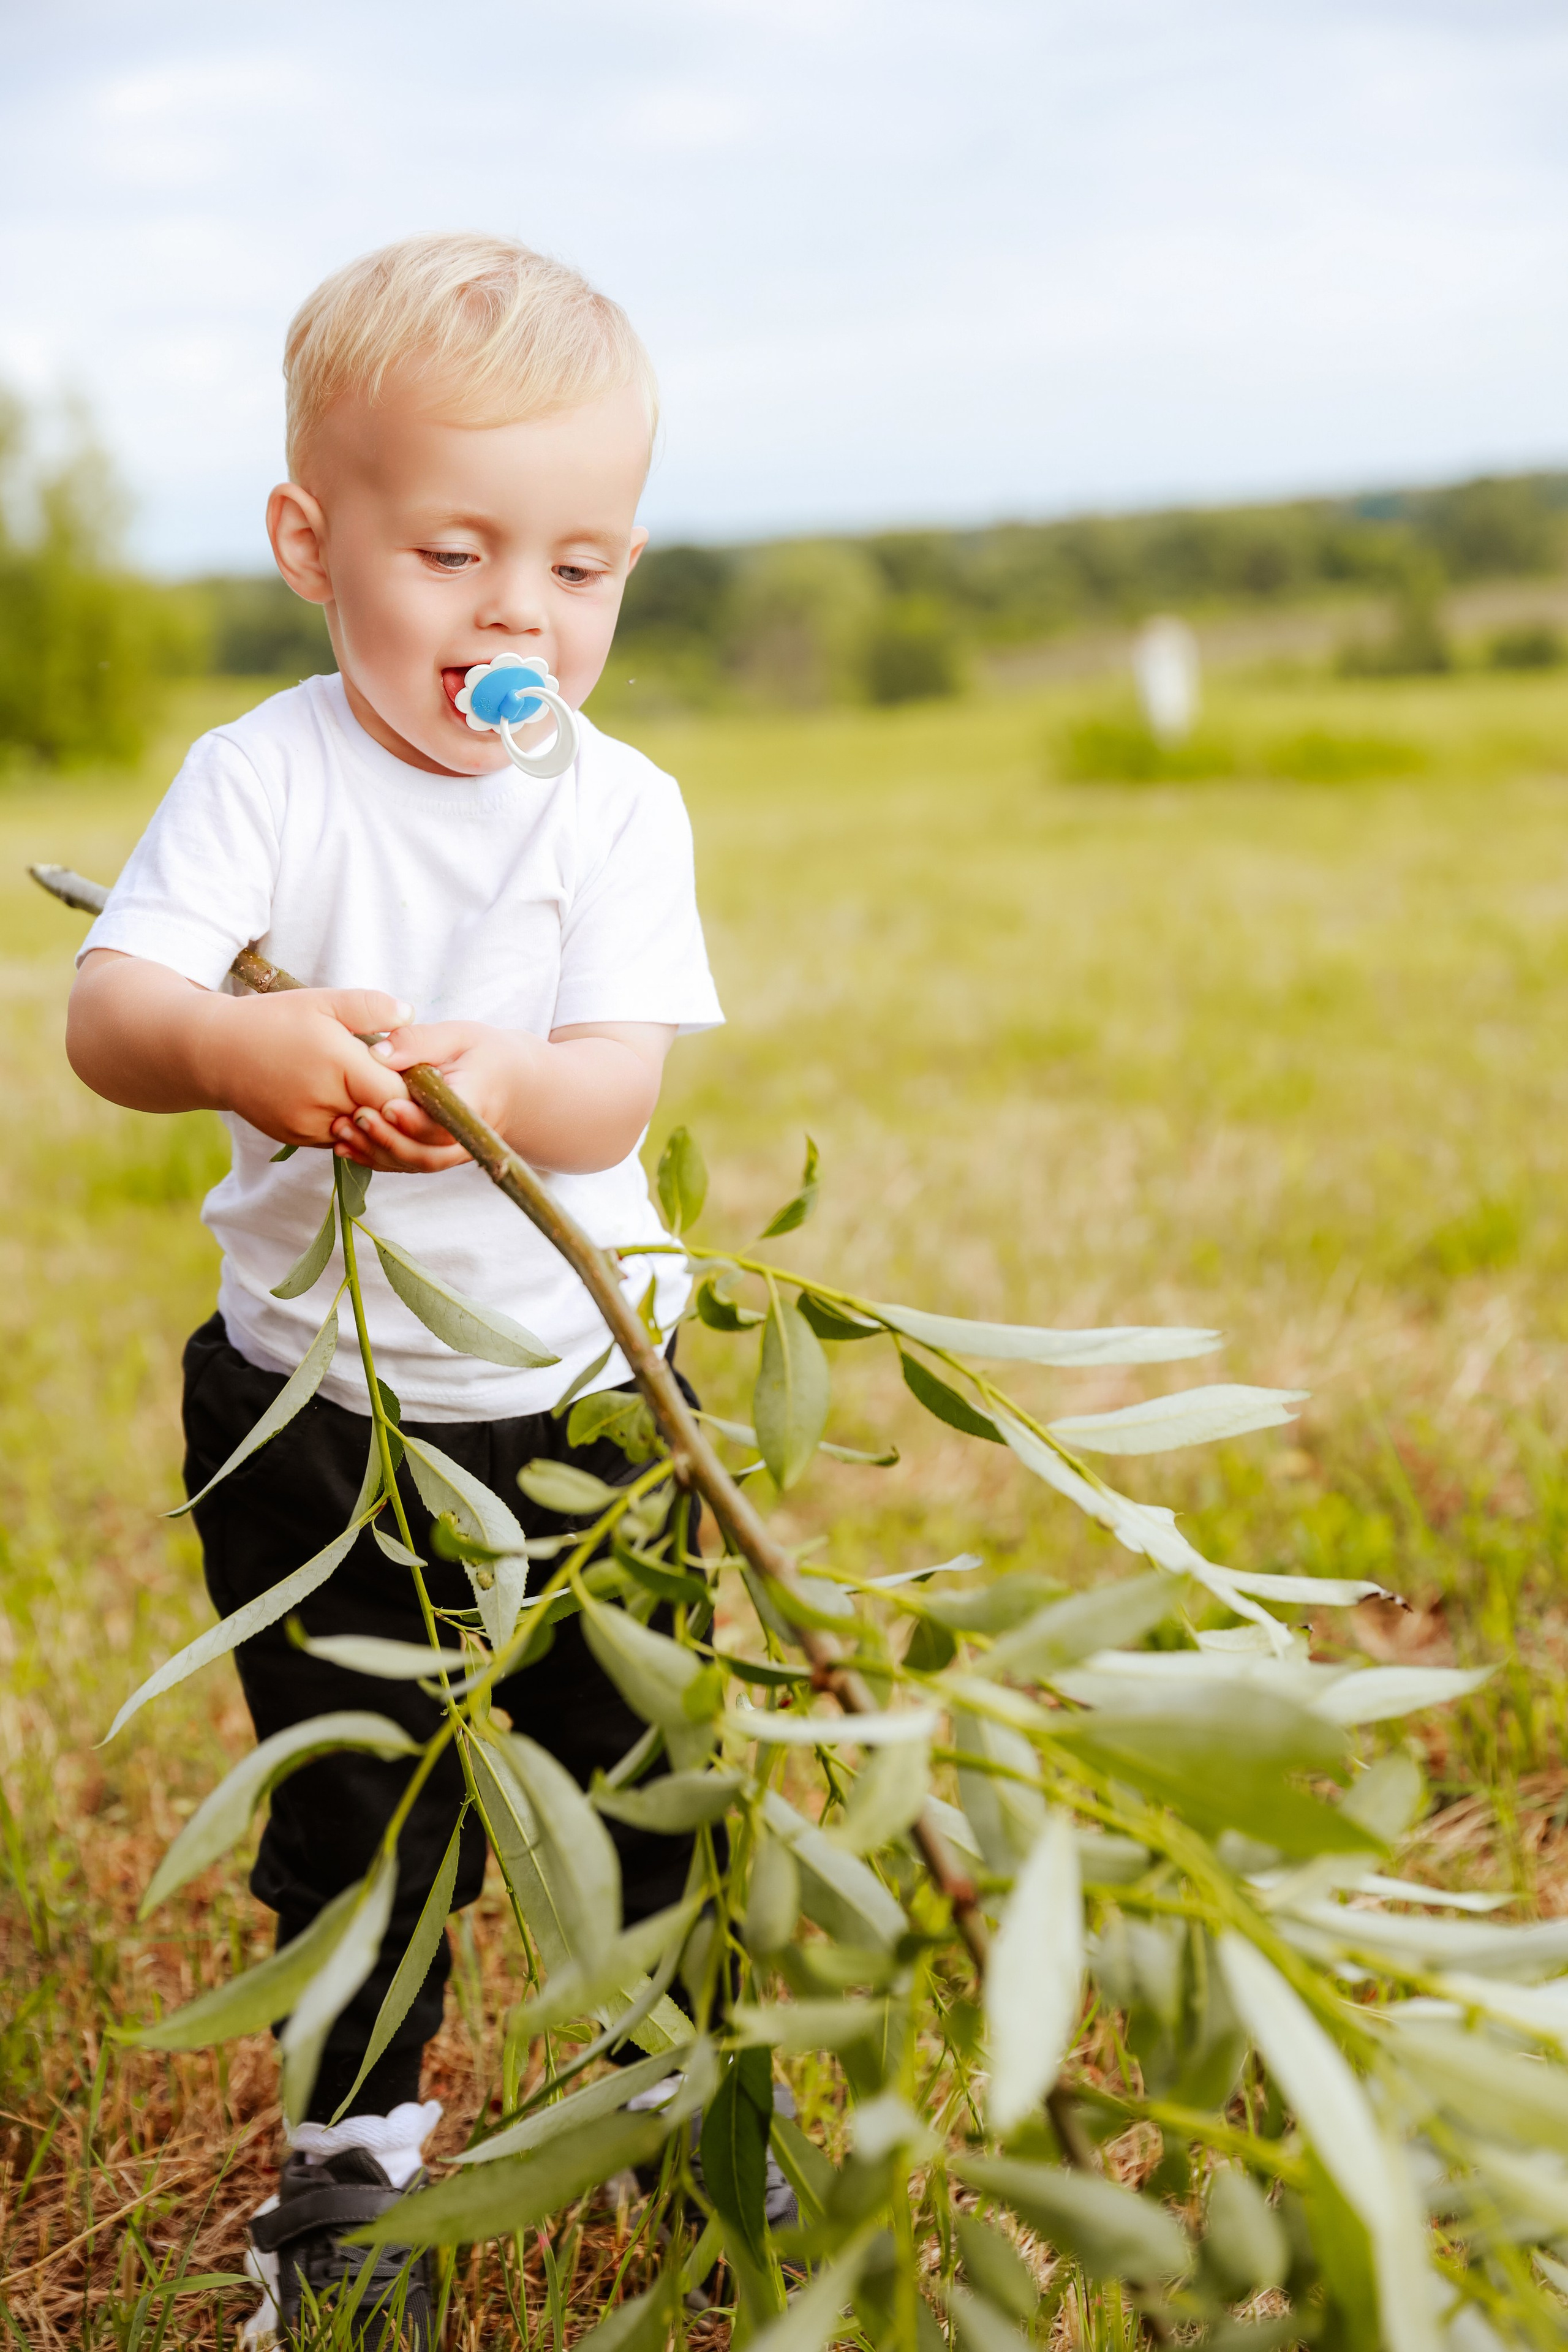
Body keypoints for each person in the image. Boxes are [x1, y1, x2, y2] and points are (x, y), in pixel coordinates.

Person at [64, 232, 729, 2348]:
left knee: (646, 1787)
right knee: (358, 1816)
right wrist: (236, 1047)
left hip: (591, 1405)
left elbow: (616, 1084)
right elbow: (110, 1015)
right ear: (312, 544)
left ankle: (680, 2100)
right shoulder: (263, 778)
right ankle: (350, 2174)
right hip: (319, 1414)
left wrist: (507, 1082)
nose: (520, 612)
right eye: (453, 553)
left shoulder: (618, 810)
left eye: (579, 566)